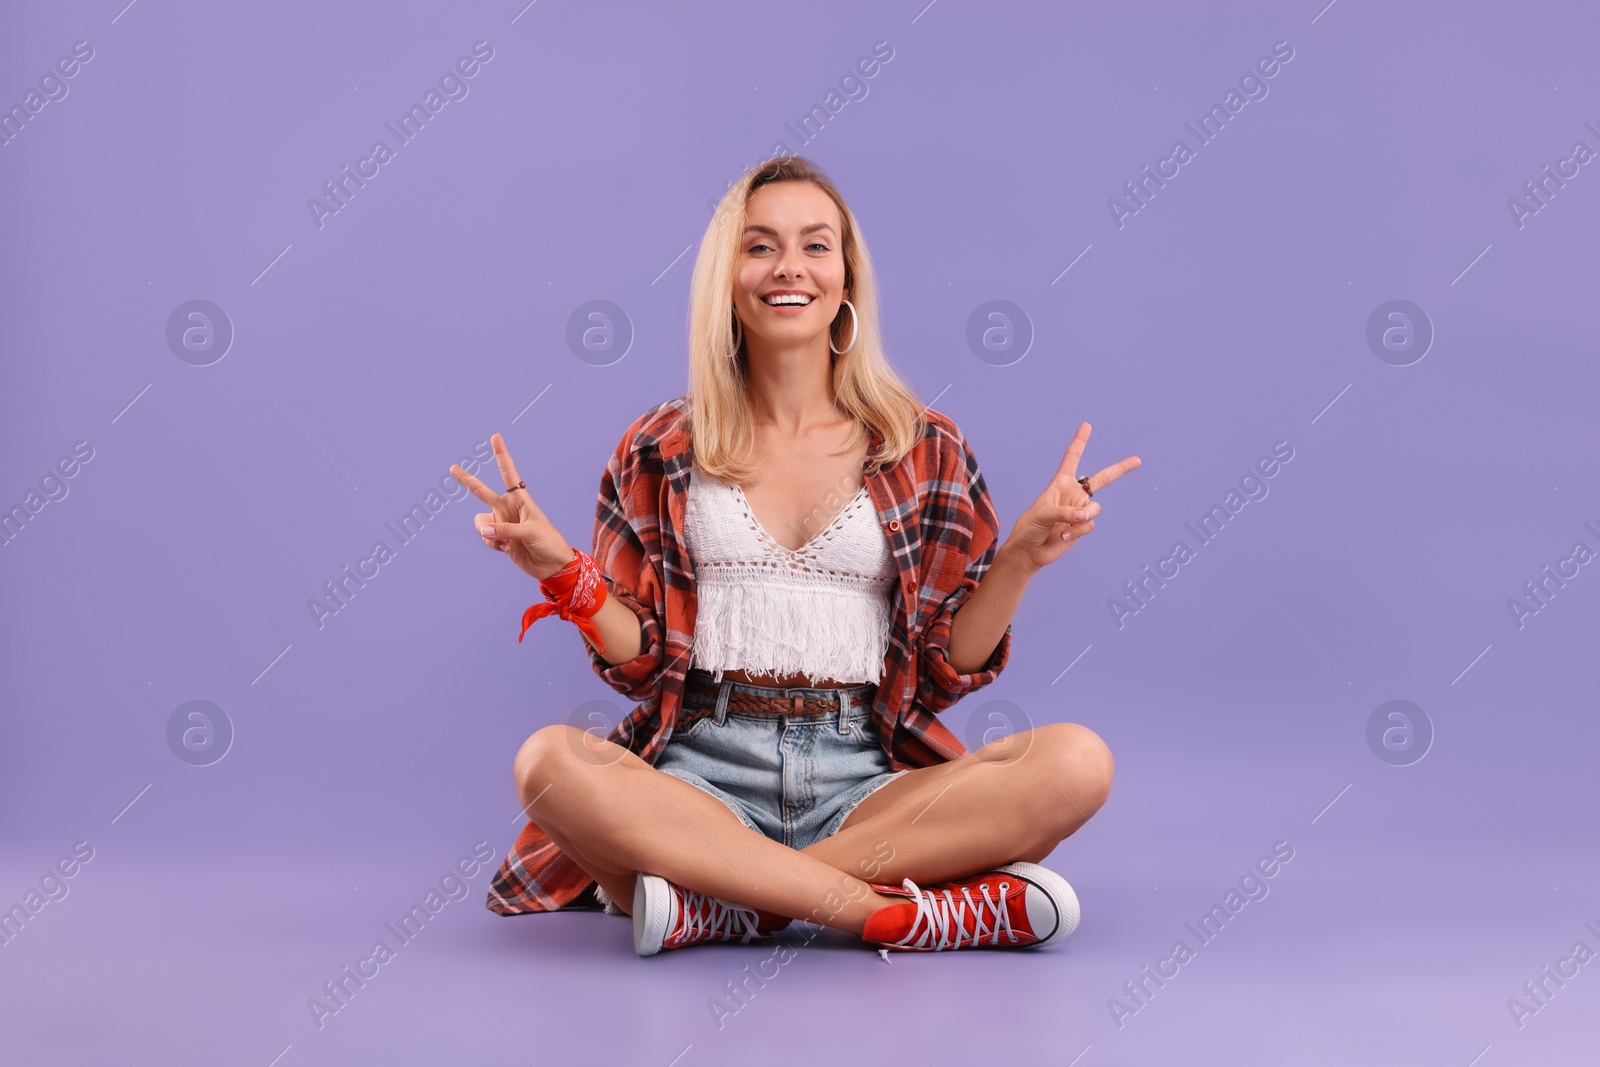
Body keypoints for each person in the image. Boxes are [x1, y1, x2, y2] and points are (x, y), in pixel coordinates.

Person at [448, 155, 1140, 956]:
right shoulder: (661, 446)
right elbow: (637, 663)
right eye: (760, 246)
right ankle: (892, 914)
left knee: (1076, 761)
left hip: (863, 782)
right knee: (549, 762)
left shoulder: (924, 446)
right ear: (727, 278)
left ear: (847, 279)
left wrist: (1020, 556)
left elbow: (949, 667)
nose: (789, 268)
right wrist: (558, 571)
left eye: (816, 246)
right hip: (695, 778)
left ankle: (730, 899)